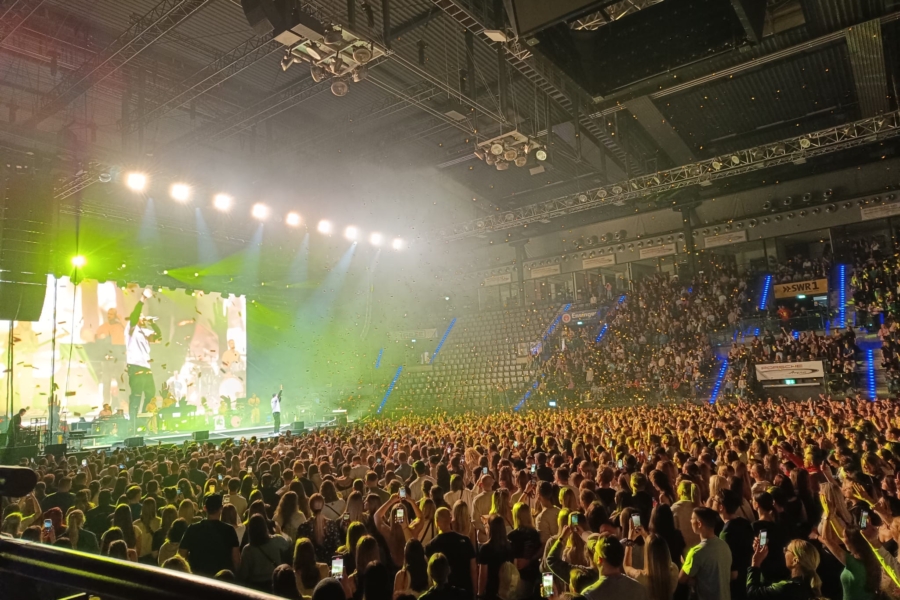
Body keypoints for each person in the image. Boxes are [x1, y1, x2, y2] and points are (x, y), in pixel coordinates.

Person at [125, 290, 162, 435]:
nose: (142, 317)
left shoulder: (144, 332)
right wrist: (142, 299)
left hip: (146, 367)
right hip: (135, 367)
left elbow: (159, 338)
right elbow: (134, 315)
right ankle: (133, 423)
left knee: (150, 393)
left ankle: (144, 419)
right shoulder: (131, 329)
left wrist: (153, 324)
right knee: (136, 395)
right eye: (141, 316)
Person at [178, 493, 240, 577]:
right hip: (222, 579)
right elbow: (236, 559)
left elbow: (181, 554)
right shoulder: (229, 530)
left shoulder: (192, 529)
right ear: (221, 509)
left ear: (204, 508)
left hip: (198, 577)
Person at [679, 507, 732, 600]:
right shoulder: (725, 546)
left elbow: (681, 579)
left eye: (692, 519)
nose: (690, 521)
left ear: (699, 524)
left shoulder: (696, 552)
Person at [747, 539, 823, 600]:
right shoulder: (811, 588)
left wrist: (755, 563)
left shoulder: (786, 588)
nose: (784, 552)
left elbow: (752, 593)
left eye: (786, 550)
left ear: (795, 561)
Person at [425, 507, 477, 597]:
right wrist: (475, 592)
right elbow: (473, 569)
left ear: (436, 522)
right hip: (465, 592)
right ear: (450, 519)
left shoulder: (430, 546)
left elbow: (429, 574)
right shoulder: (465, 541)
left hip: (441, 595)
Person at [237, 513, 291, 591]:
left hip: (255, 586)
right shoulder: (277, 540)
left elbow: (243, 574)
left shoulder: (247, 550)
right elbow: (289, 543)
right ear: (264, 527)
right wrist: (279, 532)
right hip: (274, 583)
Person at [476, 514, 513, 600]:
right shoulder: (510, 546)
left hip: (492, 592)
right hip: (507, 592)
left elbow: (483, 575)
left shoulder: (485, 549)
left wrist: (480, 594)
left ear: (490, 528)